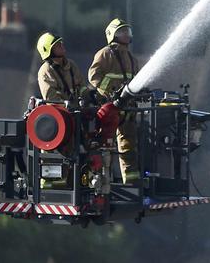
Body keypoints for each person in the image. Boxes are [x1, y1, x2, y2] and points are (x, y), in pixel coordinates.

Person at [88, 18, 140, 185]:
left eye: (127, 31)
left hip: (128, 110)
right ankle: (100, 182)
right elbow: (94, 76)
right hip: (110, 109)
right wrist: (110, 93)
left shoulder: (132, 58)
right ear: (112, 35)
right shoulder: (105, 54)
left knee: (129, 147)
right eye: (121, 31)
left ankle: (131, 182)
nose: (125, 34)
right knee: (105, 147)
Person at [35, 32, 88, 103]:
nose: (61, 45)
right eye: (57, 45)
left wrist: (88, 96)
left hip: (78, 109)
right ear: (48, 51)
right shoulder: (45, 71)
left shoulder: (71, 64)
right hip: (61, 112)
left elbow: (82, 86)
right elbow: (52, 99)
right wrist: (66, 107)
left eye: (60, 43)